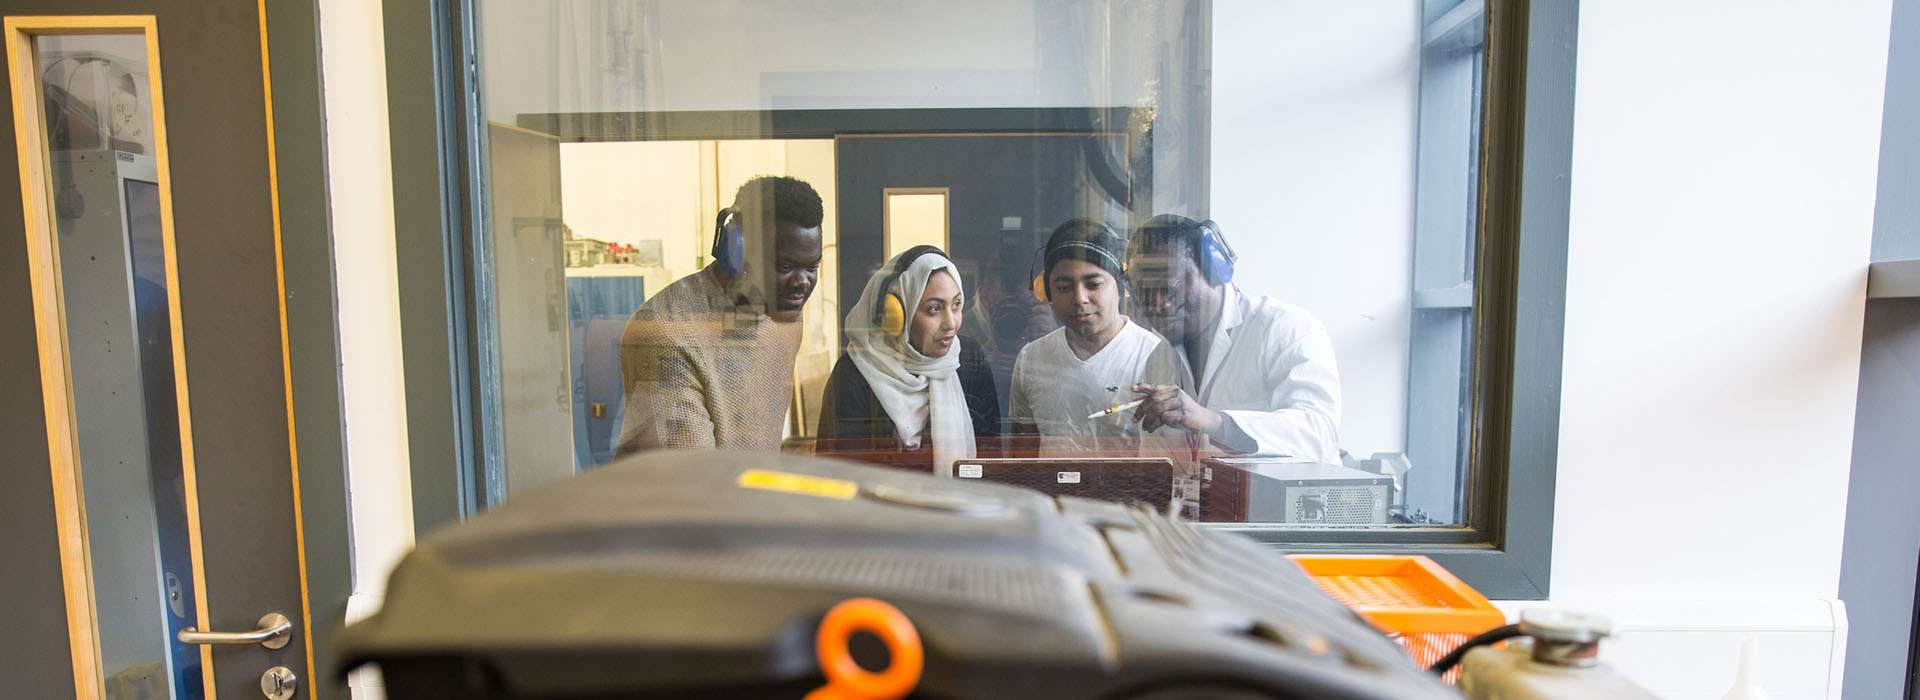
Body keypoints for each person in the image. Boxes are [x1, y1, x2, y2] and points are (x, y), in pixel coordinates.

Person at [614, 175, 825, 456]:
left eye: (811, 267)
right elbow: (691, 480)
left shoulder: (783, 317)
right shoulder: (667, 335)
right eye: (785, 265)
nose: (802, 282)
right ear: (737, 250)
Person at [1124, 215, 1341, 462]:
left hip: (1283, 500)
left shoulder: (1283, 328)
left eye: (1169, 287)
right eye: (1144, 294)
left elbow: (1318, 435)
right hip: (1210, 499)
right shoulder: (1159, 358)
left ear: (1214, 269)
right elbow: (1157, 464)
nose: (1159, 304)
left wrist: (1217, 422)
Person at [817, 246, 1000, 471]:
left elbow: (992, 455)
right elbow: (840, 473)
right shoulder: (853, 374)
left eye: (956, 305)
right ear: (897, 316)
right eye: (934, 309)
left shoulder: (969, 359)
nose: (951, 323)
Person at [1008, 219, 1181, 445]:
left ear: (1121, 286)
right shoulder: (1031, 359)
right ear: (1047, 292)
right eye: (1064, 288)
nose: (1080, 298)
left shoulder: (1156, 356)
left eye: (1093, 284)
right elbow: (1022, 454)